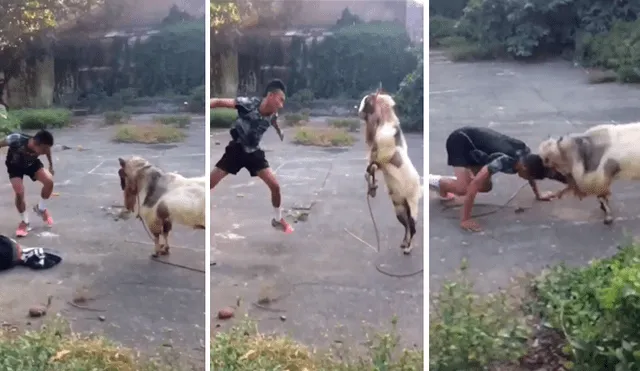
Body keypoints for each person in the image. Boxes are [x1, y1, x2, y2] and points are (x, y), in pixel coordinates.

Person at [429, 126, 571, 232]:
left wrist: (538, 195)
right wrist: (465, 219)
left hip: (478, 150)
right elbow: (473, 187)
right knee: (464, 188)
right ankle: (434, 181)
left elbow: (532, 172)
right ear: (524, 168)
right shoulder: (503, 161)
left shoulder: (526, 157)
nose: (524, 179)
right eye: (527, 176)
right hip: (460, 141)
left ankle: (447, 185)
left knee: (485, 187)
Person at [210, 79, 293, 234]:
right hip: (236, 149)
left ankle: (278, 219)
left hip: (254, 152)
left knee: (275, 187)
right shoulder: (248, 104)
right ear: (270, 96)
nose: (281, 105)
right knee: (209, 183)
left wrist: (279, 131)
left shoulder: (273, 113)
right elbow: (220, 101)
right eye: (280, 100)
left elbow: (274, 121)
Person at [0, 130, 55, 237]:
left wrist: (51, 165)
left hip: (32, 164)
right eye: (44, 148)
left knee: (49, 182)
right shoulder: (15, 139)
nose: (45, 151)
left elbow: (48, 151)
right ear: (36, 143)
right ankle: (24, 221)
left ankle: (41, 209)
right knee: (19, 192)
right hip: (14, 166)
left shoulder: (44, 147)